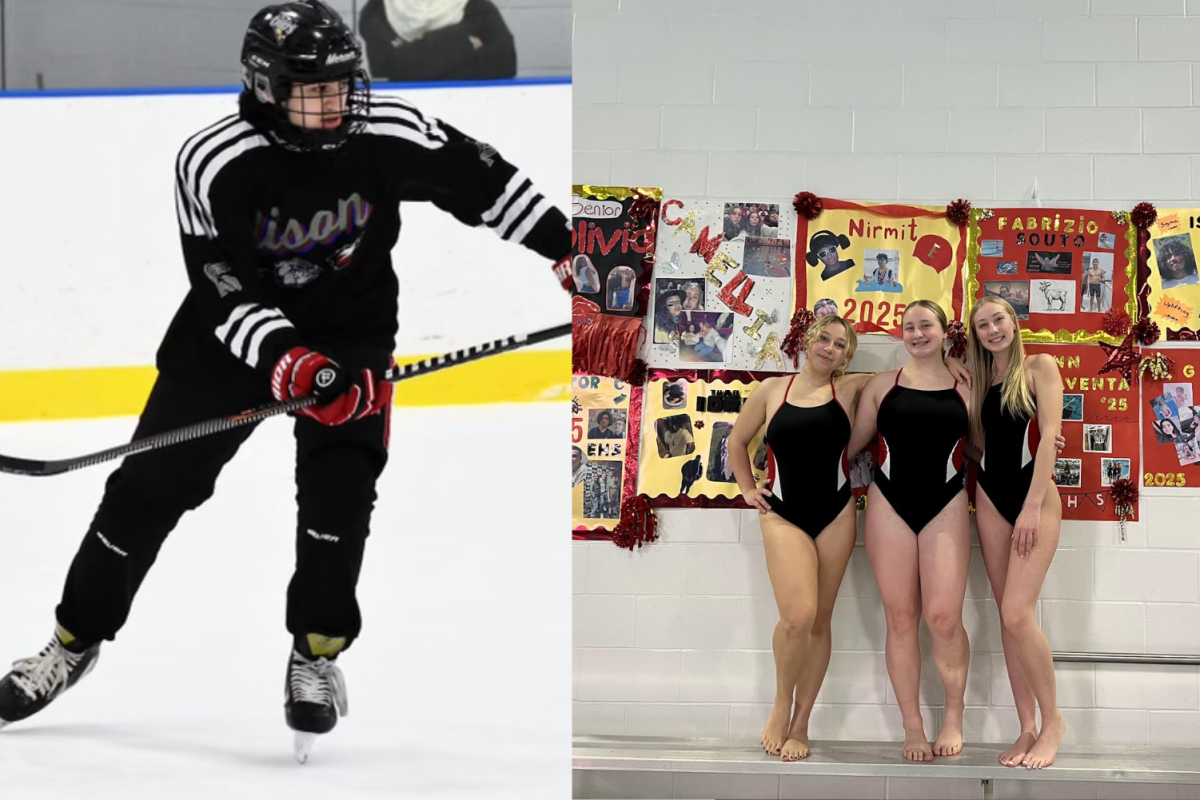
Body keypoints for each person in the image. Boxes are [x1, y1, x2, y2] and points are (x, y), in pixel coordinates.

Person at [0, 0, 569, 763]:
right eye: (314, 89)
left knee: (339, 499)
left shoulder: (383, 129)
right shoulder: (212, 161)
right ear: (265, 86)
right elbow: (223, 289)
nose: (335, 103)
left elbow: (486, 184)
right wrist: (289, 361)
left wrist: (573, 251)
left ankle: (317, 654)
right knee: (144, 493)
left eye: (342, 85)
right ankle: (71, 642)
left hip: (354, 334)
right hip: (227, 347)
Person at [728, 314, 869, 762]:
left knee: (821, 620)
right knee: (798, 615)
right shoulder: (772, 391)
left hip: (836, 512)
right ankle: (780, 702)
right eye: (824, 339)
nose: (830, 348)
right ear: (808, 340)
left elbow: (904, 376)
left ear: (848, 355)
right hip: (782, 513)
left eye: (840, 345)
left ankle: (802, 722)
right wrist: (748, 488)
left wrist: (956, 367)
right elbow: (736, 442)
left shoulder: (848, 389)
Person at [844, 300, 972, 762]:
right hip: (888, 503)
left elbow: (985, 443)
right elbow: (851, 444)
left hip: (947, 501)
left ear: (943, 331)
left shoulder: (966, 384)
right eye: (909, 327)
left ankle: (954, 716)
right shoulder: (883, 385)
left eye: (926, 326)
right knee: (901, 620)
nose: (917, 334)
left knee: (943, 618)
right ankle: (913, 726)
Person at [966, 295, 1067, 770]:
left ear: (1013, 321)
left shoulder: (1040, 367)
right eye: (982, 325)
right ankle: (1025, 726)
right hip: (989, 499)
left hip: (1035, 502)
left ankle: (1053, 724)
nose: (992, 330)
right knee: (1008, 621)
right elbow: (982, 446)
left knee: (1017, 614)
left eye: (998, 319)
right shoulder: (982, 381)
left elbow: (1049, 437)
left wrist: (1031, 505)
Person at [358, 0, 516, 83]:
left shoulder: (477, 7)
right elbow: (388, 69)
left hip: (469, 111)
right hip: (406, 119)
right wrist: (463, 42)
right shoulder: (378, 11)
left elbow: (504, 65)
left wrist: (413, 54)